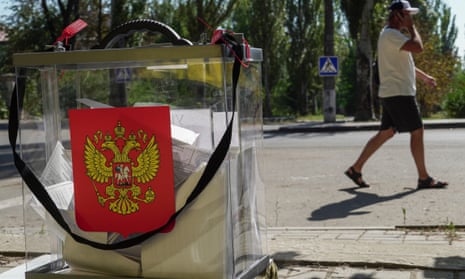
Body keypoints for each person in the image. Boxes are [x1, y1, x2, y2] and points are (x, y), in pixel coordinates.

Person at [345, 0, 448, 189]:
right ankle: (423, 178)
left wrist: (424, 77)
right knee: (417, 131)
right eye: (407, 14)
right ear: (398, 15)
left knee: (386, 132)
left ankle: (355, 169)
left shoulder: (393, 36)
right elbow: (418, 47)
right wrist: (412, 28)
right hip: (399, 93)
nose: (410, 17)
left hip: (393, 92)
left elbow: (406, 63)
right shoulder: (391, 34)